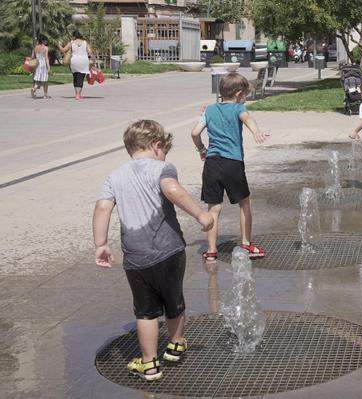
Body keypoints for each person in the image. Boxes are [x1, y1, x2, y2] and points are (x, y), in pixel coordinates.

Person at [92, 120, 214, 381]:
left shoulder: (115, 176)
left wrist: (101, 244)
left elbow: (102, 207)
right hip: (170, 252)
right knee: (174, 300)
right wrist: (200, 215)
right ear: (158, 146)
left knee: (145, 311)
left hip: (136, 258)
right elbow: (172, 190)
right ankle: (176, 343)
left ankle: (149, 364)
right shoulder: (163, 168)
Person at [191, 72, 268, 262]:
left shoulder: (209, 110)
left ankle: (210, 251)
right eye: (245, 95)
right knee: (244, 203)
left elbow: (194, 132)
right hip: (232, 163)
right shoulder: (238, 108)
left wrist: (201, 148)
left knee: (213, 208)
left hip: (212, 163)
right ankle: (246, 244)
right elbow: (247, 119)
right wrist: (256, 131)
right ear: (239, 94)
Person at [60, 30, 94, 101]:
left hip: (74, 61)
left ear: (74, 36)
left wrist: (59, 45)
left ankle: (77, 94)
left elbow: (63, 50)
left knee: (75, 77)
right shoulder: (85, 42)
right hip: (83, 61)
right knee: (81, 78)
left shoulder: (71, 43)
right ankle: (78, 95)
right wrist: (92, 60)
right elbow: (90, 52)